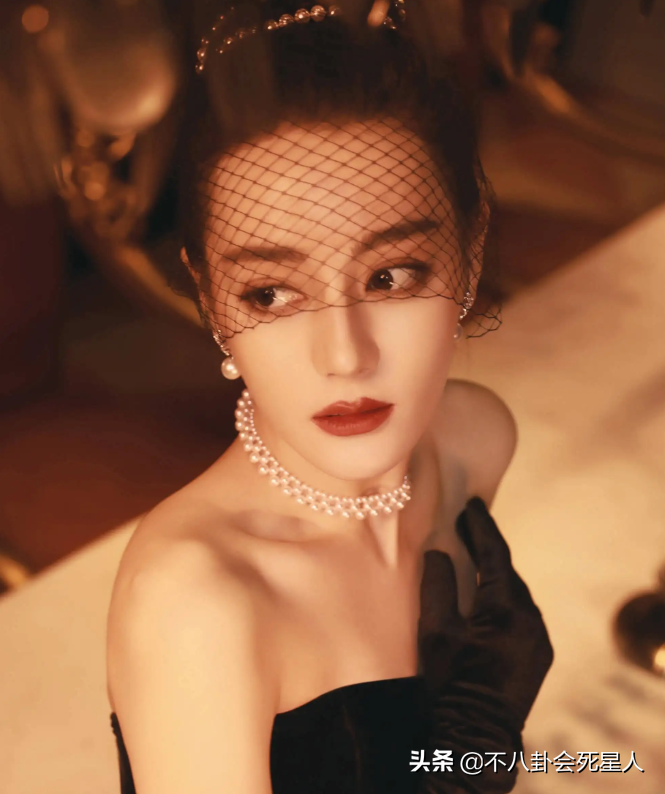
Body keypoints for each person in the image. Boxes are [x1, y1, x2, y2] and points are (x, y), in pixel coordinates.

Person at [105, 2, 553, 792]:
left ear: (471, 250)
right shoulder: (198, 601)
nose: (345, 356)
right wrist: (475, 749)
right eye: (271, 293)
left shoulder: (474, 439)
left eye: (390, 276)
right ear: (209, 300)